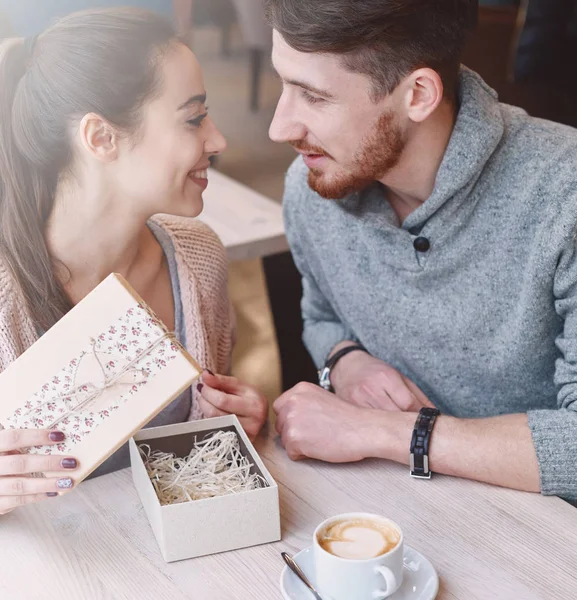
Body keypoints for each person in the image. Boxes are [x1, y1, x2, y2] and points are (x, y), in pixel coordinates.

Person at [266, 0, 577, 504]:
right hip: (401, 512)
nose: (279, 128)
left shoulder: (564, 197)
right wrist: (346, 362)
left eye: (314, 97)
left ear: (418, 94)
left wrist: (379, 431)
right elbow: (321, 316)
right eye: (285, 84)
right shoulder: (312, 185)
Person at [0, 7, 268, 515]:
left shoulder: (197, 256)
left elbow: (202, 465)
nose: (219, 140)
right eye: (193, 118)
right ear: (101, 138)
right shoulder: (5, 298)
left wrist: (241, 424)